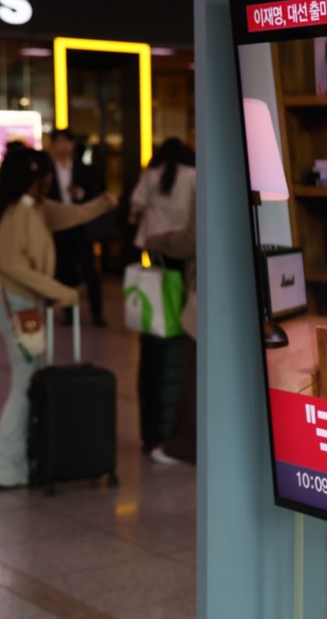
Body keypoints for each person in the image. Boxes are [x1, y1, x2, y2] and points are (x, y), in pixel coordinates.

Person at [0, 147, 115, 490]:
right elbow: (13, 265)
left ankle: (24, 459)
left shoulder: (37, 209)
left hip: (25, 303)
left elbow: (68, 215)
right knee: (24, 381)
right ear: (32, 177)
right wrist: (61, 291)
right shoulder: (19, 213)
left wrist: (101, 204)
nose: (48, 179)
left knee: (27, 379)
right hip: (15, 303)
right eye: (43, 173)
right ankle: (7, 469)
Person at [144, 200, 197, 465]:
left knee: (192, 376)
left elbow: (194, 239)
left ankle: (184, 446)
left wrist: (158, 240)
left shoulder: (206, 175)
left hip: (202, 293)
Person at [46, 128, 106, 326]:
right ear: (52, 146)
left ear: (72, 145)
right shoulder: (47, 170)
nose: (63, 147)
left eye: (66, 142)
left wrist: (79, 194)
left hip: (81, 226)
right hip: (59, 227)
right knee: (64, 269)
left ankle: (97, 313)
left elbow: (94, 192)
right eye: (59, 143)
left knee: (90, 270)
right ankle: (69, 312)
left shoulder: (84, 169)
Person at [129, 137, 196, 260]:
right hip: (182, 237)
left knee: (157, 276)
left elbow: (138, 202)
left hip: (154, 236)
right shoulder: (193, 175)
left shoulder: (151, 174)